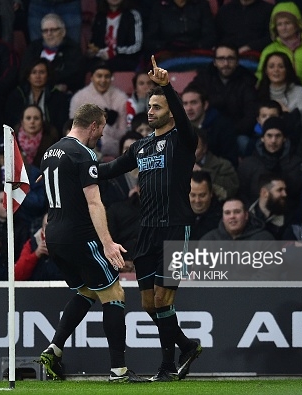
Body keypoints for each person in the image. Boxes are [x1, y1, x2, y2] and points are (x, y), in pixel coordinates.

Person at [99, 56, 202, 381]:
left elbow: (183, 118)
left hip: (175, 229)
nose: (150, 111)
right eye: (149, 106)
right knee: (147, 304)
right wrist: (73, 171)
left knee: (162, 299)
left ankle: (167, 367)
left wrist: (166, 86)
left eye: (157, 107)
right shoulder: (142, 146)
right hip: (147, 232)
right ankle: (186, 346)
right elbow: (110, 169)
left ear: (171, 110)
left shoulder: (184, 141)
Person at [38, 103, 146, 383]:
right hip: (79, 235)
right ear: (94, 125)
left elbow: (77, 176)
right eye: (101, 129)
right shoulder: (83, 152)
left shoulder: (52, 151)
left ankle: (54, 349)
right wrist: (108, 243)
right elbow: (94, 201)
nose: (101, 135)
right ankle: (119, 371)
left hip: (54, 236)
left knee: (86, 291)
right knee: (115, 294)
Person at [190, 43, 258, 138]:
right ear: (214, 62)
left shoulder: (247, 80)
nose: (226, 63)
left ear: (237, 61)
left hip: (237, 133)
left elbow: (251, 116)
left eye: (230, 59)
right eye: (221, 59)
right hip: (206, 131)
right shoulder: (204, 77)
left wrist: (229, 132)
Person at [238, 117, 302, 209]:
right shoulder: (248, 164)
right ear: (262, 138)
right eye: (269, 135)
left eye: (278, 136)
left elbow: (296, 195)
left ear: (284, 138)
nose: (273, 140)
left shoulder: (295, 163)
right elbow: (242, 195)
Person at [256, 2, 302, 92]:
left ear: (297, 24)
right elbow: (260, 75)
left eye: (287, 23)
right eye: (279, 24)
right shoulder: (269, 50)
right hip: (276, 94)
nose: (284, 27)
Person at [69, 62, 127, 158]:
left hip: (114, 148)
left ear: (111, 78)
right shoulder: (79, 97)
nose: (103, 80)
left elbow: (124, 131)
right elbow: (72, 127)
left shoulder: (121, 98)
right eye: (99, 76)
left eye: (107, 76)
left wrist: (108, 128)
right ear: (91, 78)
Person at [20, 13, 84, 93]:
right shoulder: (33, 48)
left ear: (63, 32)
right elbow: (24, 72)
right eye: (45, 31)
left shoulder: (73, 49)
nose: (49, 34)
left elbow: (74, 76)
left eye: (53, 30)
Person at [4, 57, 70, 134]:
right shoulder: (18, 95)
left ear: (47, 75)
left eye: (42, 72)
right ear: (28, 76)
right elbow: (11, 121)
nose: (38, 76)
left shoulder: (58, 97)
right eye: (34, 72)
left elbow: (60, 124)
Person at [144, 0, 216, 67]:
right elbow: (151, 39)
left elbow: (210, 36)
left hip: (197, 51)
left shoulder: (201, 5)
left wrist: (195, 45)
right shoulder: (159, 7)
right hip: (167, 53)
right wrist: (167, 45)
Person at [181, 85, 238, 166]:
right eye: (185, 104)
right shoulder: (178, 127)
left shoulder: (223, 127)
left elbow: (230, 160)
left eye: (194, 103)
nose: (189, 108)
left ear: (205, 105)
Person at [86, 0, 143, 72]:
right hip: (101, 59)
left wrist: (114, 52)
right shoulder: (99, 16)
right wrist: (92, 51)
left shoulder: (133, 15)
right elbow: (94, 42)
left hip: (125, 59)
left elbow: (137, 46)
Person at [257, 51, 302, 123]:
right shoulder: (260, 92)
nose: (276, 70)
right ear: (266, 71)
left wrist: (288, 114)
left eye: (281, 66)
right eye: (271, 67)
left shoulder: (300, 92)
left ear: (287, 70)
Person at [14, 213, 64, 280]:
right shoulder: (32, 243)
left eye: (54, 226)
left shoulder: (70, 244)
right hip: (37, 288)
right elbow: (17, 275)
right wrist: (36, 254)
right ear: (42, 230)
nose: (51, 230)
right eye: (47, 226)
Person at [193, 127, 238, 201]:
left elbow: (232, 188)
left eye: (195, 148)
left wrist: (203, 172)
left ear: (204, 148)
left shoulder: (222, 165)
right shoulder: (172, 165)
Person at [248, 175, 290, 240]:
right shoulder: (245, 217)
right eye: (280, 190)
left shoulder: (289, 219)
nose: (285, 194)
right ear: (264, 193)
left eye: (284, 190)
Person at [189, 170, 222, 241]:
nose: (197, 200)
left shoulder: (222, 218)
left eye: (202, 195)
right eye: (193, 195)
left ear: (211, 193)